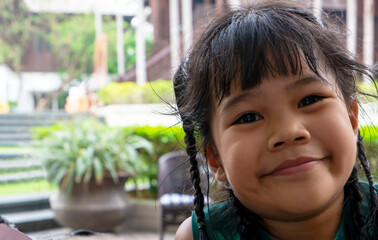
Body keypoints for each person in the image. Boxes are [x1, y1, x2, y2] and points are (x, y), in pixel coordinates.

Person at [172, 1, 378, 239]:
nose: (289, 131)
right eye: (248, 117)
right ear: (216, 159)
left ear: (352, 120)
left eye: (310, 100)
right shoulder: (201, 236)